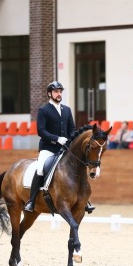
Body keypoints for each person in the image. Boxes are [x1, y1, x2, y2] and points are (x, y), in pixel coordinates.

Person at [24, 81, 95, 213]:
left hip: (64, 149)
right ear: (49, 93)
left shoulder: (66, 110)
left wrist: (71, 140)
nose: (59, 94)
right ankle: (31, 201)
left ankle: (84, 200)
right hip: (48, 148)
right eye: (56, 92)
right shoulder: (44, 110)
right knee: (40, 169)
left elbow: (72, 129)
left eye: (60, 91)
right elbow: (41, 131)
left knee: (77, 168)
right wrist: (57, 138)